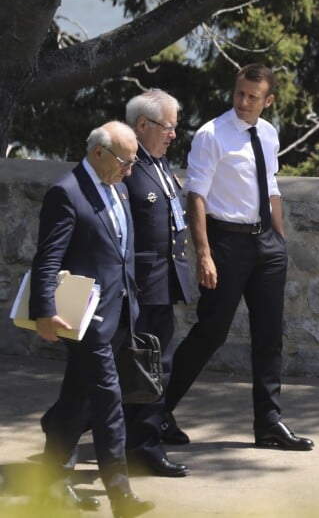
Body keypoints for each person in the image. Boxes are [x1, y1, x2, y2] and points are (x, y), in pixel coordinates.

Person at [162, 64, 314, 451]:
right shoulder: (211, 135)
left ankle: (269, 424)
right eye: (239, 94)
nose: (244, 102)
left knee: (269, 338)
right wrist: (204, 254)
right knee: (210, 333)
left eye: (252, 96)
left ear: (268, 100)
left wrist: (278, 239)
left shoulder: (268, 133)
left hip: (265, 244)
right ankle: (158, 411)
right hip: (226, 244)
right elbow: (195, 195)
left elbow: (271, 186)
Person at [30, 121, 155, 518]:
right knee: (107, 401)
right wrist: (44, 311)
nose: (130, 170)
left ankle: (49, 485)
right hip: (83, 318)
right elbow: (48, 258)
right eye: (124, 161)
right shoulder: (65, 193)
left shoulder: (116, 187)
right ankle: (121, 497)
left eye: (134, 162)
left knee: (76, 402)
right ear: (99, 152)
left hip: (120, 314)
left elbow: (120, 252)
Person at [122, 90, 191, 477]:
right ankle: (142, 445)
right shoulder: (129, 167)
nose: (173, 135)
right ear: (142, 125)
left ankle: (143, 440)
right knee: (142, 368)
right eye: (167, 127)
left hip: (164, 282)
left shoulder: (160, 165)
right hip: (140, 285)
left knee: (156, 366)